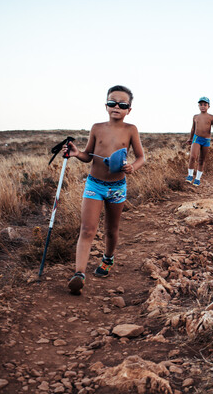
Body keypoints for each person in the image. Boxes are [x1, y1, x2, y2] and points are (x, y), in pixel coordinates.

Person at [63, 85, 145, 295]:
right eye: (112, 102)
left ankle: (108, 258)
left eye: (122, 104)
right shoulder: (97, 128)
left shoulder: (131, 130)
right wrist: (76, 153)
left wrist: (132, 167)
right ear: (106, 105)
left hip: (117, 187)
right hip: (94, 185)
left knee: (111, 229)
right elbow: (88, 156)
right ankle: (79, 274)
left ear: (129, 109)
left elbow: (141, 157)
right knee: (87, 230)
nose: (116, 106)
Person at [185, 96, 213, 186]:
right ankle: (190, 176)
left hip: (206, 140)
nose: (203, 106)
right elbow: (193, 128)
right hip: (196, 138)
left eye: (205, 104)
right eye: (201, 104)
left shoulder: (212, 117)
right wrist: (190, 138)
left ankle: (197, 179)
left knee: (201, 160)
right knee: (193, 157)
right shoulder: (195, 117)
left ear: (208, 106)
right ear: (198, 106)